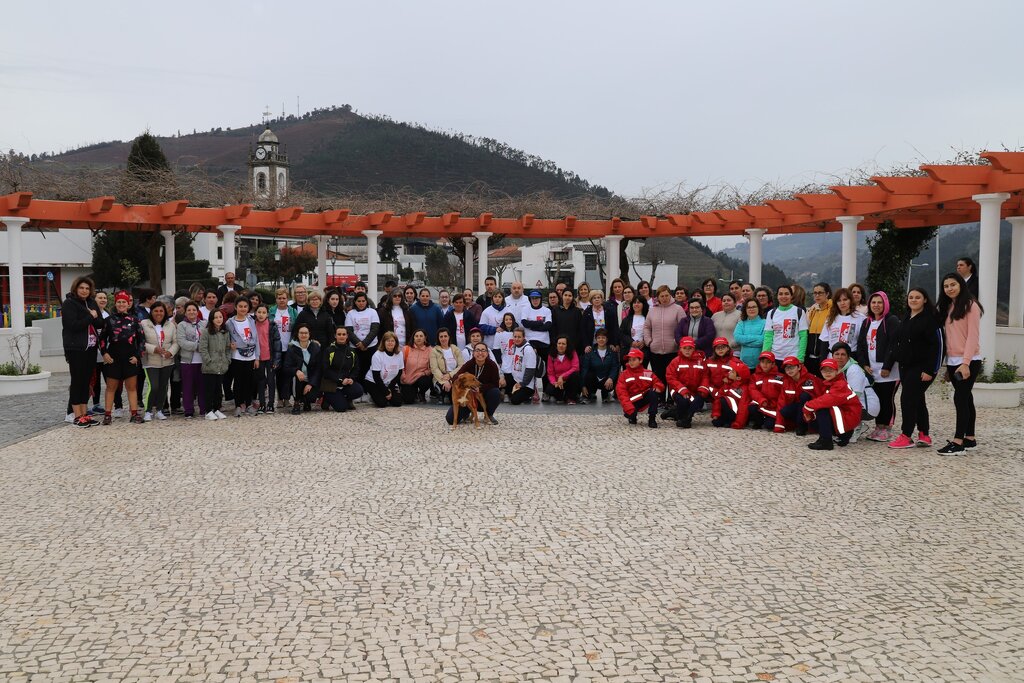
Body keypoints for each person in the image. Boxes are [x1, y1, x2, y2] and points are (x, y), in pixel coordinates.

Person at [887, 288, 942, 449]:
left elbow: (937, 346)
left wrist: (930, 370)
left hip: (922, 367)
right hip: (905, 366)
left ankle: (906, 436)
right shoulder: (906, 317)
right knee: (918, 400)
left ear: (925, 300)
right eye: (911, 297)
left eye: (918, 297)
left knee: (907, 399)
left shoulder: (931, 320)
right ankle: (924, 434)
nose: (913, 300)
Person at [937, 272, 983, 454]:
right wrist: (949, 364)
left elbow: (973, 337)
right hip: (953, 360)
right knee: (966, 397)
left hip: (969, 361)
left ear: (961, 285)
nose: (949, 288)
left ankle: (957, 443)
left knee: (960, 398)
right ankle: (969, 438)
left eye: (953, 285)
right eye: (946, 286)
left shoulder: (971, 305)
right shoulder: (949, 306)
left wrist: (965, 363)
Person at [856, 292, 901, 442]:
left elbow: (894, 345)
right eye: (873, 302)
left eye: (879, 302)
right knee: (877, 399)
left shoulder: (891, 321)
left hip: (889, 371)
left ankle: (887, 428)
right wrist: (864, 364)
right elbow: (861, 345)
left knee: (887, 399)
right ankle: (878, 427)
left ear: (885, 304)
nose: (876, 305)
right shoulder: (867, 322)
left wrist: (887, 366)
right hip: (872, 369)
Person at [62, 276, 104, 427]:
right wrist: (89, 316)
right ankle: (76, 415)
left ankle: (85, 414)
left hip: (91, 348)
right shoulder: (69, 303)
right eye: (81, 288)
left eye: (87, 288)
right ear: (76, 288)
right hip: (76, 348)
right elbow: (72, 325)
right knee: (77, 381)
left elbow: (100, 322)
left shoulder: (92, 303)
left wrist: (95, 316)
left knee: (86, 382)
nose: (84, 291)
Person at [803, 358, 863, 450]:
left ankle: (826, 441)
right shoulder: (830, 383)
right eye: (824, 370)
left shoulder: (840, 384)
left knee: (822, 410)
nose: (827, 373)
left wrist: (807, 407)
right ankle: (843, 435)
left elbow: (826, 400)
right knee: (815, 418)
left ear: (837, 371)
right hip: (847, 414)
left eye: (830, 370)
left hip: (850, 416)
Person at [445, 342, 504, 425]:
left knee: (496, 392)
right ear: (473, 353)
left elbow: (495, 384)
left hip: (484, 394)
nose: (480, 353)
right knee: (450, 420)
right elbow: (456, 376)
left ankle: (489, 415)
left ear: (487, 353)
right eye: (477, 350)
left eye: (483, 350)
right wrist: (459, 377)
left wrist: (480, 388)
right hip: (468, 397)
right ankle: (466, 412)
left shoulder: (492, 365)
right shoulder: (469, 364)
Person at [830, 342, 877, 443]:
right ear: (832, 355)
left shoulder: (853, 369)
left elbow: (855, 396)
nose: (839, 357)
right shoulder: (835, 368)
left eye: (843, 354)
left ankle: (856, 426)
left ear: (848, 356)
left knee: (834, 407)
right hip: (856, 403)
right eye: (837, 354)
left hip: (867, 407)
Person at [140, 302, 178, 422]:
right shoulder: (144, 324)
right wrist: (153, 349)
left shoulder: (171, 325)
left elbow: (176, 342)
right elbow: (140, 342)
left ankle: (160, 410)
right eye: (156, 311)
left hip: (167, 361)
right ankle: (148, 410)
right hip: (151, 361)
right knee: (154, 386)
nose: (159, 313)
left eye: (161, 311)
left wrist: (171, 352)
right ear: (151, 312)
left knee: (163, 386)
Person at [644, 286, 684, 388]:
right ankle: (660, 400)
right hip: (655, 351)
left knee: (672, 376)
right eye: (662, 296)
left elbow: (683, 327)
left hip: (673, 350)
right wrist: (649, 341)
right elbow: (647, 327)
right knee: (658, 377)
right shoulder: (652, 310)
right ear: (657, 297)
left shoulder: (678, 309)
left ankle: (671, 400)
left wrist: (677, 342)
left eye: (667, 295)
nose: (664, 298)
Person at [226, 298, 260, 417]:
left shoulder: (251, 320)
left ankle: (249, 403)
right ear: (235, 307)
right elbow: (226, 337)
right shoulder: (229, 323)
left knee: (249, 381)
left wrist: (257, 357)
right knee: (238, 382)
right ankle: (238, 405)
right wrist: (229, 344)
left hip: (250, 356)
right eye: (240, 306)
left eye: (245, 306)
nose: (243, 309)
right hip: (237, 356)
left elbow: (256, 339)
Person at [664, 337, 706, 428]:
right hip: (678, 390)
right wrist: (682, 390)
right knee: (683, 402)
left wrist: (702, 389)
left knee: (698, 401)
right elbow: (670, 377)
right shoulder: (675, 361)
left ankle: (681, 416)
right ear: (680, 349)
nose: (687, 351)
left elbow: (705, 376)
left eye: (690, 348)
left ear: (694, 349)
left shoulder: (700, 361)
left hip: (694, 390)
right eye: (685, 348)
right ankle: (683, 418)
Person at [320, 326, 364, 412]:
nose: (341, 336)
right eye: (339, 334)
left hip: (345, 383)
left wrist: (351, 378)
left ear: (347, 336)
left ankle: (347, 399)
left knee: (359, 390)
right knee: (342, 408)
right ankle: (327, 398)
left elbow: (356, 368)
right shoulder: (329, 350)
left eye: (344, 334)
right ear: (335, 336)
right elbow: (326, 370)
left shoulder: (351, 351)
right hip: (331, 383)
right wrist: (340, 380)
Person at [615, 348, 662, 428]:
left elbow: (658, 383)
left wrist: (657, 387)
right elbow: (621, 393)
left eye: (634, 360)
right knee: (631, 415)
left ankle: (652, 418)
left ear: (640, 361)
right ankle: (632, 416)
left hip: (644, 398)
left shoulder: (648, 373)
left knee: (653, 393)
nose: (631, 362)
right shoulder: (624, 375)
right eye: (629, 360)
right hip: (631, 402)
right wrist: (629, 408)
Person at [762, 285, 808, 366]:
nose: (783, 296)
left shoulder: (799, 312)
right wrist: (765, 355)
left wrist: (800, 357)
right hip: (775, 357)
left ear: (791, 296)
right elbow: (768, 336)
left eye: (786, 294)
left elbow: (803, 336)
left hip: (793, 357)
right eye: (781, 294)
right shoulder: (771, 313)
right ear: (777, 296)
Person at [776, 356, 823, 435]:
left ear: (799, 367)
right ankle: (799, 424)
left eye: (792, 367)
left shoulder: (811, 379)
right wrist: (779, 426)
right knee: (784, 411)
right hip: (799, 408)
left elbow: (820, 397)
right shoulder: (786, 381)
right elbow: (781, 401)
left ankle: (802, 426)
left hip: (812, 410)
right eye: (787, 368)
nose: (789, 370)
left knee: (804, 396)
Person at [198, 309, 230, 420]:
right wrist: (208, 361)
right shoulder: (206, 332)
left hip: (221, 366)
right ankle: (208, 410)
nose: (218, 319)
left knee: (218, 390)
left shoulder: (225, 332)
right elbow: (202, 348)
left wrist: (227, 360)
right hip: (210, 367)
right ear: (211, 319)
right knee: (209, 390)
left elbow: (227, 348)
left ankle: (217, 409)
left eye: (220, 317)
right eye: (216, 317)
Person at [176, 302, 207, 419]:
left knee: (202, 386)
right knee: (188, 387)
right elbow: (182, 342)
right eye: (189, 310)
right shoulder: (181, 325)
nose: (191, 312)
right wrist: (198, 346)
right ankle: (188, 410)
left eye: (194, 310)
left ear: (197, 311)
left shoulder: (204, 324)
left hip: (202, 360)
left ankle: (204, 408)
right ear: (185, 312)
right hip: (187, 360)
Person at [283, 322, 322, 414]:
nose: (303, 335)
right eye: (301, 333)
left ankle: (306, 401)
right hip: (297, 378)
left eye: (306, 333)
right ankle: (296, 402)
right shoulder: (292, 348)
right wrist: (296, 371)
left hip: (310, 378)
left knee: (312, 396)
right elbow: (286, 367)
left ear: (309, 334)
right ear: (297, 334)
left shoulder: (315, 347)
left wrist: (311, 384)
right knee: (295, 378)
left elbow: (318, 368)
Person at [818, 287, 865, 357]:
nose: (842, 303)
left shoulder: (861, 318)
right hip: (832, 359)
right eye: (839, 300)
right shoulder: (831, 318)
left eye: (845, 299)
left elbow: (863, 344)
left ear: (851, 300)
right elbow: (824, 342)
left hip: (851, 358)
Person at [252, 303, 282, 413]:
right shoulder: (252, 324)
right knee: (260, 381)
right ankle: (262, 403)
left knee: (271, 381)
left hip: (270, 357)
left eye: (264, 312)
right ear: (255, 313)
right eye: (259, 312)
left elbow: (277, 344)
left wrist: (276, 360)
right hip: (258, 358)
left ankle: (270, 404)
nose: (261, 314)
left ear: (267, 314)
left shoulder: (272, 326)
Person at [271, 288, 297, 408]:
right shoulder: (271, 311)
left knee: (288, 374)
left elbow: (297, 328)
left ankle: (287, 397)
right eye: (279, 298)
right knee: (277, 374)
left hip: (289, 346)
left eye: (284, 298)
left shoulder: (292, 312)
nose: (281, 300)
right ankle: (279, 398)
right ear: (276, 299)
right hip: (275, 348)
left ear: (288, 299)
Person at [365, 331, 405, 408]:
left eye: (392, 341)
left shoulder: (399, 354)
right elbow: (376, 376)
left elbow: (399, 372)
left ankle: (384, 395)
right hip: (373, 382)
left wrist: (390, 388)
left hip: (389, 382)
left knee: (398, 402)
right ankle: (373, 394)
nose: (390, 343)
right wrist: (386, 392)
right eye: (388, 341)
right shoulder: (377, 355)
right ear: (383, 342)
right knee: (382, 403)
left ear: (396, 343)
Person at [346, 292, 381, 380]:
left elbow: (375, 329)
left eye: (363, 301)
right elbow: (349, 331)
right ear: (355, 302)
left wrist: (364, 343)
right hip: (355, 347)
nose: (361, 303)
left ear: (366, 302)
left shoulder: (372, 312)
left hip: (371, 346)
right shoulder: (350, 313)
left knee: (369, 368)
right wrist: (359, 344)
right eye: (359, 301)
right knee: (357, 369)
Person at [748, 351, 785, 430]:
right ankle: (759, 422)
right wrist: (761, 400)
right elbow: (752, 390)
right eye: (762, 362)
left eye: (768, 362)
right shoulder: (755, 376)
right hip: (761, 403)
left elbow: (783, 393)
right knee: (752, 407)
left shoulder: (781, 377)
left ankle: (767, 420)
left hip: (774, 406)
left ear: (773, 364)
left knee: (769, 425)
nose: (765, 365)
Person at [581, 328, 618, 404]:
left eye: (603, 338)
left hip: (606, 381)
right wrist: (583, 386)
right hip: (594, 380)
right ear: (595, 339)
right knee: (589, 375)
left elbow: (615, 367)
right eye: (599, 338)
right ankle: (590, 394)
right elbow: (584, 369)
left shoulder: (612, 352)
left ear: (607, 339)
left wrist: (611, 378)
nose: (601, 340)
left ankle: (605, 394)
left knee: (616, 376)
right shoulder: (590, 352)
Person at [713, 356, 751, 430]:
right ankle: (726, 420)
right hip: (728, 411)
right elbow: (718, 398)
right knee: (716, 422)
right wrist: (716, 413)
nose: (729, 372)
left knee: (724, 399)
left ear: (738, 378)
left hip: (735, 415)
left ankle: (730, 421)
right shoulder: (729, 383)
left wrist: (739, 423)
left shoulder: (744, 389)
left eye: (733, 371)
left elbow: (743, 408)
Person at [430, 328, 465, 405]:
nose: (443, 338)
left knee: (455, 401)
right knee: (444, 387)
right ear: (438, 338)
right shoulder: (434, 351)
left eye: (445, 336)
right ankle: (440, 394)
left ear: (449, 337)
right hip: (440, 377)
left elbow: (461, 365)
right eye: (441, 337)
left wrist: (450, 376)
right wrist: (444, 380)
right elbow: (434, 369)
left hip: (454, 376)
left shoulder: (456, 349)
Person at [505, 328, 539, 405]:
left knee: (514, 400)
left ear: (524, 337)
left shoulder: (528, 349)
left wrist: (522, 384)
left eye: (519, 337)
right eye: (515, 336)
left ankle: (531, 393)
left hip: (526, 384)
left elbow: (530, 370)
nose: (516, 339)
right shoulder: (515, 347)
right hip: (516, 380)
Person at [545, 335, 582, 404]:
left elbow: (575, 367)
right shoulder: (551, 355)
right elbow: (550, 373)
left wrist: (562, 376)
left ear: (567, 345)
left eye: (563, 344)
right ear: (556, 345)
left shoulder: (573, 353)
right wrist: (554, 382)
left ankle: (571, 398)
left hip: (569, 380)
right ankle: (562, 396)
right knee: (549, 389)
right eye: (559, 343)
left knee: (575, 375)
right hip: (558, 382)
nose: (561, 345)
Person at [805, 282, 832, 375]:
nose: (817, 295)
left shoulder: (833, 309)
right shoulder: (813, 310)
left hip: (826, 355)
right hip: (812, 356)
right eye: (815, 293)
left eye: (820, 293)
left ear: (827, 294)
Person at [400, 329, 434, 403]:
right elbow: (400, 365)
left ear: (425, 338)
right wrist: (403, 375)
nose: (419, 338)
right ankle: (413, 392)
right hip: (407, 379)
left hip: (420, 377)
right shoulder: (406, 349)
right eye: (416, 336)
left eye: (421, 336)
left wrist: (424, 373)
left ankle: (421, 393)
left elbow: (433, 368)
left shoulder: (430, 350)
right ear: (413, 338)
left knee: (426, 380)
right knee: (408, 400)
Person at [581, 290, 619, 354]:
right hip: (592, 344)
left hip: (607, 343)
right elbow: (583, 330)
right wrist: (586, 345)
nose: (597, 299)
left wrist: (614, 343)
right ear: (591, 300)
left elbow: (614, 328)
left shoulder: (609, 311)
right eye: (594, 298)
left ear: (602, 299)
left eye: (598, 297)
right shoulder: (587, 312)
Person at [734, 299, 766, 369]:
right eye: (749, 307)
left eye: (754, 307)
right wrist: (757, 338)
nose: (751, 309)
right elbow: (738, 338)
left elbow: (763, 340)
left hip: (761, 365)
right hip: (744, 364)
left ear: (758, 308)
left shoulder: (765, 323)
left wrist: (745, 342)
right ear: (745, 309)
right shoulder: (741, 323)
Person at [552, 289, 585, 357]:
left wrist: (577, 342)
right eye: (565, 295)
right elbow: (553, 327)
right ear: (562, 296)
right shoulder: (555, 310)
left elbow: (580, 329)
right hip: (559, 345)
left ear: (573, 297)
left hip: (574, 345)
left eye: (570, 295)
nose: (567, 297)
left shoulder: (577, 311)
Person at [619, 296, 648, 366]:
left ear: (643, 304)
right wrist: (631, 342)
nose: (636, 304)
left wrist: (644, 341)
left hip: (643, 351)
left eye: (639, 302)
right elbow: (621, 334)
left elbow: (651, 333)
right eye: (634, 303)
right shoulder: (627, 319)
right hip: (628, 352)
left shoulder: (648, 318)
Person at [477, 290, 507, 356]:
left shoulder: (508, 311)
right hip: (490, 345)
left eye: (499, 297)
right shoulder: (486, 311)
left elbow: (514, 325)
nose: (497, 299)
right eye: (495, 296)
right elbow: (482, 327)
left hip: (505, 345)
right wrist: (495, 329)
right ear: (492, 298)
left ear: (503, 299)